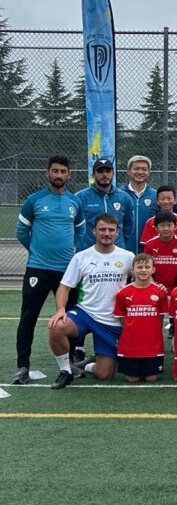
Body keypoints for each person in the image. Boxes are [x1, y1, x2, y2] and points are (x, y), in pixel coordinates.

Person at [12, 154, 86, 384]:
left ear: (69, 175)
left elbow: (80, 231)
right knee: (28, 317)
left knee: (69, 317)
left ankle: (70, 364)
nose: (58, 175)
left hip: (66, 271)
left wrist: (70, 253)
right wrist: (36, 251)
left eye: (63, 171)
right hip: (38, 269)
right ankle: (23, 366)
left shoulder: (74, 202)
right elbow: (21, 232)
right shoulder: (34, 200)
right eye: (55, 171)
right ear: (48, 173)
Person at [47, 213, 134, 388]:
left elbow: (144, 280)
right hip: (85, 313)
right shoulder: (81, 257)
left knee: (105, 374)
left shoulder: (127, 257)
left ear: (117, 232)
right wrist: (61, 309)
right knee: (56, 327)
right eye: (102, 229)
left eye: (111, 230)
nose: (106, 233)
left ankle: (85, 365)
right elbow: (64, 287)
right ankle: (66, 371)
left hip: (112, 319)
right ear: (94, 231)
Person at [112, 253, 168, 383]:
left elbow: (160, 318)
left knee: (151, 378)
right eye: (140, 267)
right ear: (133, 270)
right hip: (130, 344)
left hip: (152, 344)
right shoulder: (123, 293)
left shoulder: (160, 292)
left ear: (153, 269)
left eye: (147, 267)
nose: (143, 270)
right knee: (132, 379)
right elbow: (122, 319)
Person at [75, 157, 134, 251]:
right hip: (88, 250)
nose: (105, 174)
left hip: (116, 251)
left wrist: (117, 241)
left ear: (113, 173)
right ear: (93, 174)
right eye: (100, 171)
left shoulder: (124, 198)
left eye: (108, 171)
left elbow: (128, 227)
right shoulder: (80, 197)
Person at [121, 154, 158, 254]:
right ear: (129, 171)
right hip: (124, 249)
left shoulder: (156, 196)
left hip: (148, 251)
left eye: (144, 169)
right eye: (136, 169)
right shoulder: (119, 195)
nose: (140, 172)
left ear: (149, 172)